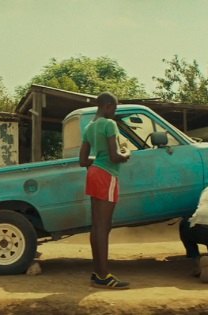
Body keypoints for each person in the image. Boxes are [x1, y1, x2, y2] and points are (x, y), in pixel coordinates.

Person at [78, 92, 130, 289]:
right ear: (107, 106)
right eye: (114, 109)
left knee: (97, 225)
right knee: (104, 226)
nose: (114, 113)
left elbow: (82, 161)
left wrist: (99, 160)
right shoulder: (109, 125)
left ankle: (97, 272)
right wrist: (127, 152)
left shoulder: (89, 127)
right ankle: (103, 275)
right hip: (107, 175)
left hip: (93, 173)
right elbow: (116, 156)